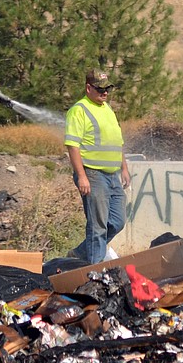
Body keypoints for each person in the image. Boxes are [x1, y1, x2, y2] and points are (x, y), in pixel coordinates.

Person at [65, 70, 130, 264]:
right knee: (98, 226)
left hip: (112, 175)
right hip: (93, 174)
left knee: (117, 222)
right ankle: (95, 271)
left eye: (107, 88)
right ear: (88, 88)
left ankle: (82, 252)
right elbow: (72, 145)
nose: (105, 93)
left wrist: (123, 168)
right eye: (100, 89)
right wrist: (81, 176)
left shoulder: (107, 109)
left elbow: (116, 141)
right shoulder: (79, 110)